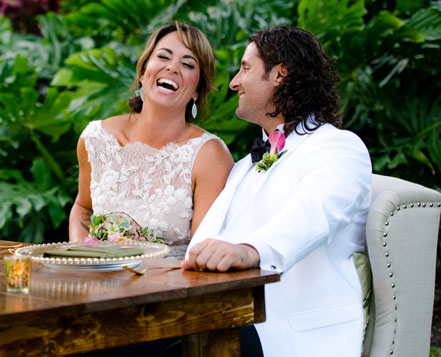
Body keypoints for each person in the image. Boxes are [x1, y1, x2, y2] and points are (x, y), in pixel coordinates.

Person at [181, 26, 372, 356]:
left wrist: (251, 249)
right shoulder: (244, 166)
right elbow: (203, 244)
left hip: (293, 336)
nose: (234, 83)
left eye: (245, 68)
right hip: (224, 322)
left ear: (280, 74)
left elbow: (317, 212)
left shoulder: (337, 147)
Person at [68, 21, 233, 258]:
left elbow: (202, 251)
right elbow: (83, 207)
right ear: (144, 71)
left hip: (172, 288)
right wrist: (84, 256)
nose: (172, 68)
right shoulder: (96, 139)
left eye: (187, 64)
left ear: (197, 90)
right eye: (163, 57)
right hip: (101, 284)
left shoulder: (209, 155)